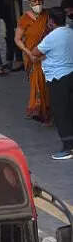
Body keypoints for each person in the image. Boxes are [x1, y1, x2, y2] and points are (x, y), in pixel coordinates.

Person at [28, 8, 73, 159]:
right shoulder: (70, 32)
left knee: (61, 113)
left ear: (51, 22)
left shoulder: (52, 37)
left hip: (58, 78)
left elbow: (34, 52)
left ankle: (68, 148)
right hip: (70, 74)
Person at [15, 0, 51, 124]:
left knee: (46, 84)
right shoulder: (24, 19)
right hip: (31, 57)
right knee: (37, 82)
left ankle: (45, 109)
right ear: (29, 3)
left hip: (47, 56)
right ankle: (37, 109)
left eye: (39, 0)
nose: (37, 3)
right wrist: (29, 53)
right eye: (34, 1)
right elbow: (17, 39)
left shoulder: (48, 16)